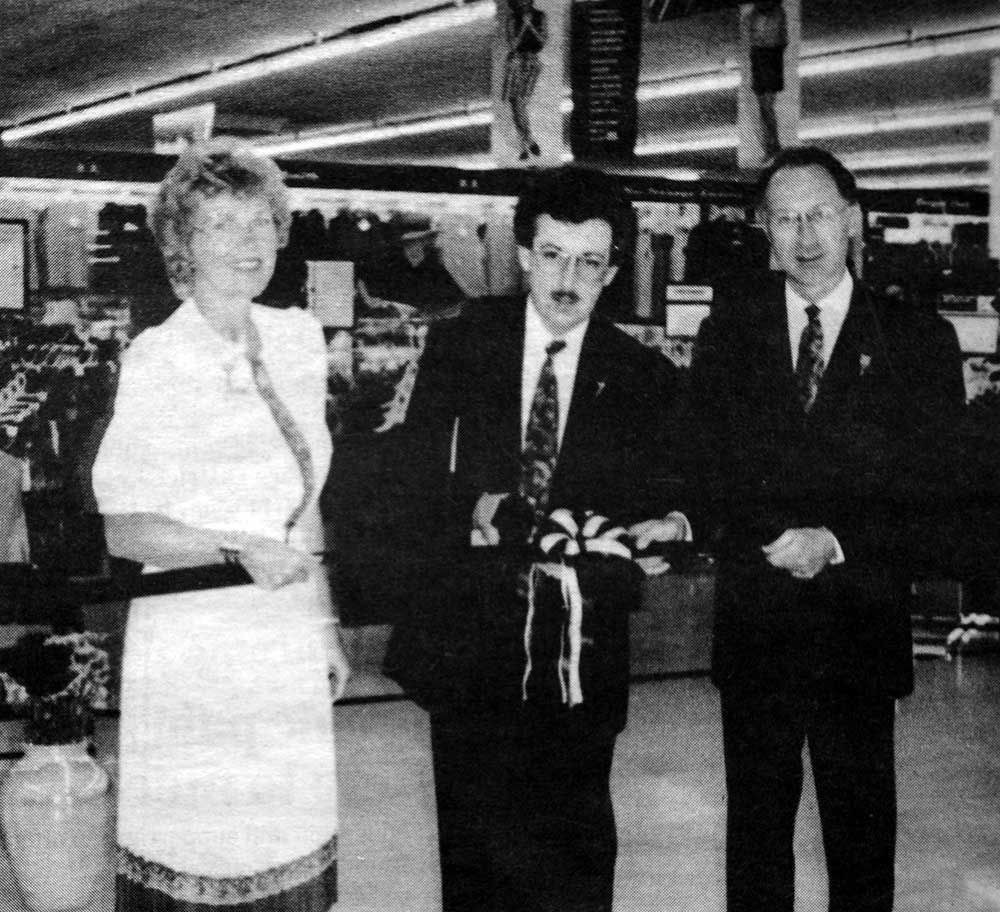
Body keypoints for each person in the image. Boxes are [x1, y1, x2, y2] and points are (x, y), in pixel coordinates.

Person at [387, 168, 691, 912]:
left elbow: (672, 493)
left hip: (580, 662)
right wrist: (479, 503)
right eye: (553, 255)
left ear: (614, 271)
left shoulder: (643, 375)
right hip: (471, 647)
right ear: (524, 254)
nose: (568, 279)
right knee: (475, 859)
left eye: (590, 263)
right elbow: (413, 473)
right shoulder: (462, 344)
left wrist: (670, 526)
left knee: (576, 854)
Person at [689, 146, 965, 912]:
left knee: (862, 840)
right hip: (757, 630)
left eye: (817, 215)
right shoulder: (728, 332)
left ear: (852, 221)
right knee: (755, 842)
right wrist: (766, 536)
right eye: (784, 218)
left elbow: (933, 489)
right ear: (765, 231)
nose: (803, 235)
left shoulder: (917, 340)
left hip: (858, 632)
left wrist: (835, 541)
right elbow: (703, 464)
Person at [92, 139, 349, 912]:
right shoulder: (160, 359)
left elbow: (305, 509)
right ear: (184, 247)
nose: (246, 244)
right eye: (220, 226)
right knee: (209, 842)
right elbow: (124, 529)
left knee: (284, 833)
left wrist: (324, 619)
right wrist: (234, 547)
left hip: (281, 632)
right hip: (195, 639)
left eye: (259, 222)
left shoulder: (300, 340)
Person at [502, 0, 547, 161]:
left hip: (532, 63)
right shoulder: (512, 19)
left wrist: (530, 26)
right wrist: (523, 27)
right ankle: (527, 140)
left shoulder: (540, 16)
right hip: (516, 62)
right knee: (517, 105)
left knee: (520, 104)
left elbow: (542, 43)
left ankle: (526, 141)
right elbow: (513, 45)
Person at [749, 0, 787, 158]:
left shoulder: (755, 14)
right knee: (767, 107)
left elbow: (755, 38)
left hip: (762, 57)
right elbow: (783, 39)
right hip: (772, 58)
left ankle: (773, 145)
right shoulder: (779, 12)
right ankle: (773, 145)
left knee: (765, 107)